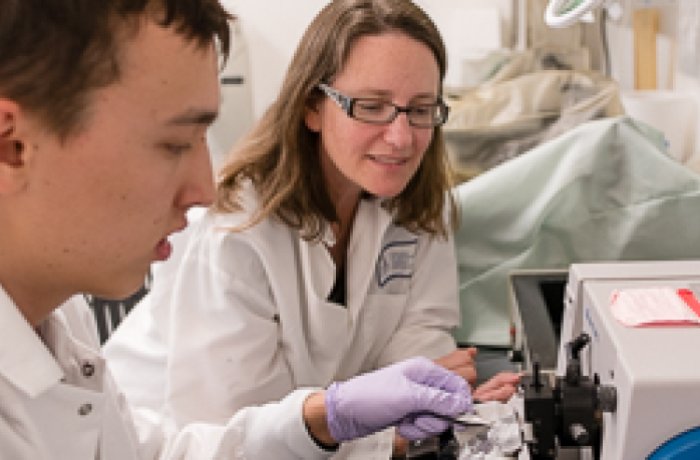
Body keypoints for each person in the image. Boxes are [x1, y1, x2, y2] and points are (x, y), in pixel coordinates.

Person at [0, 1, 475, 459]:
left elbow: (161, 453)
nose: (205, 193)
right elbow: (214, 418)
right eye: (173, 145)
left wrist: (325, 419)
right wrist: (365, 432)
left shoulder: (62, 321)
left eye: (421, 110)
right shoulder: (239, 228)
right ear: (12, 146)